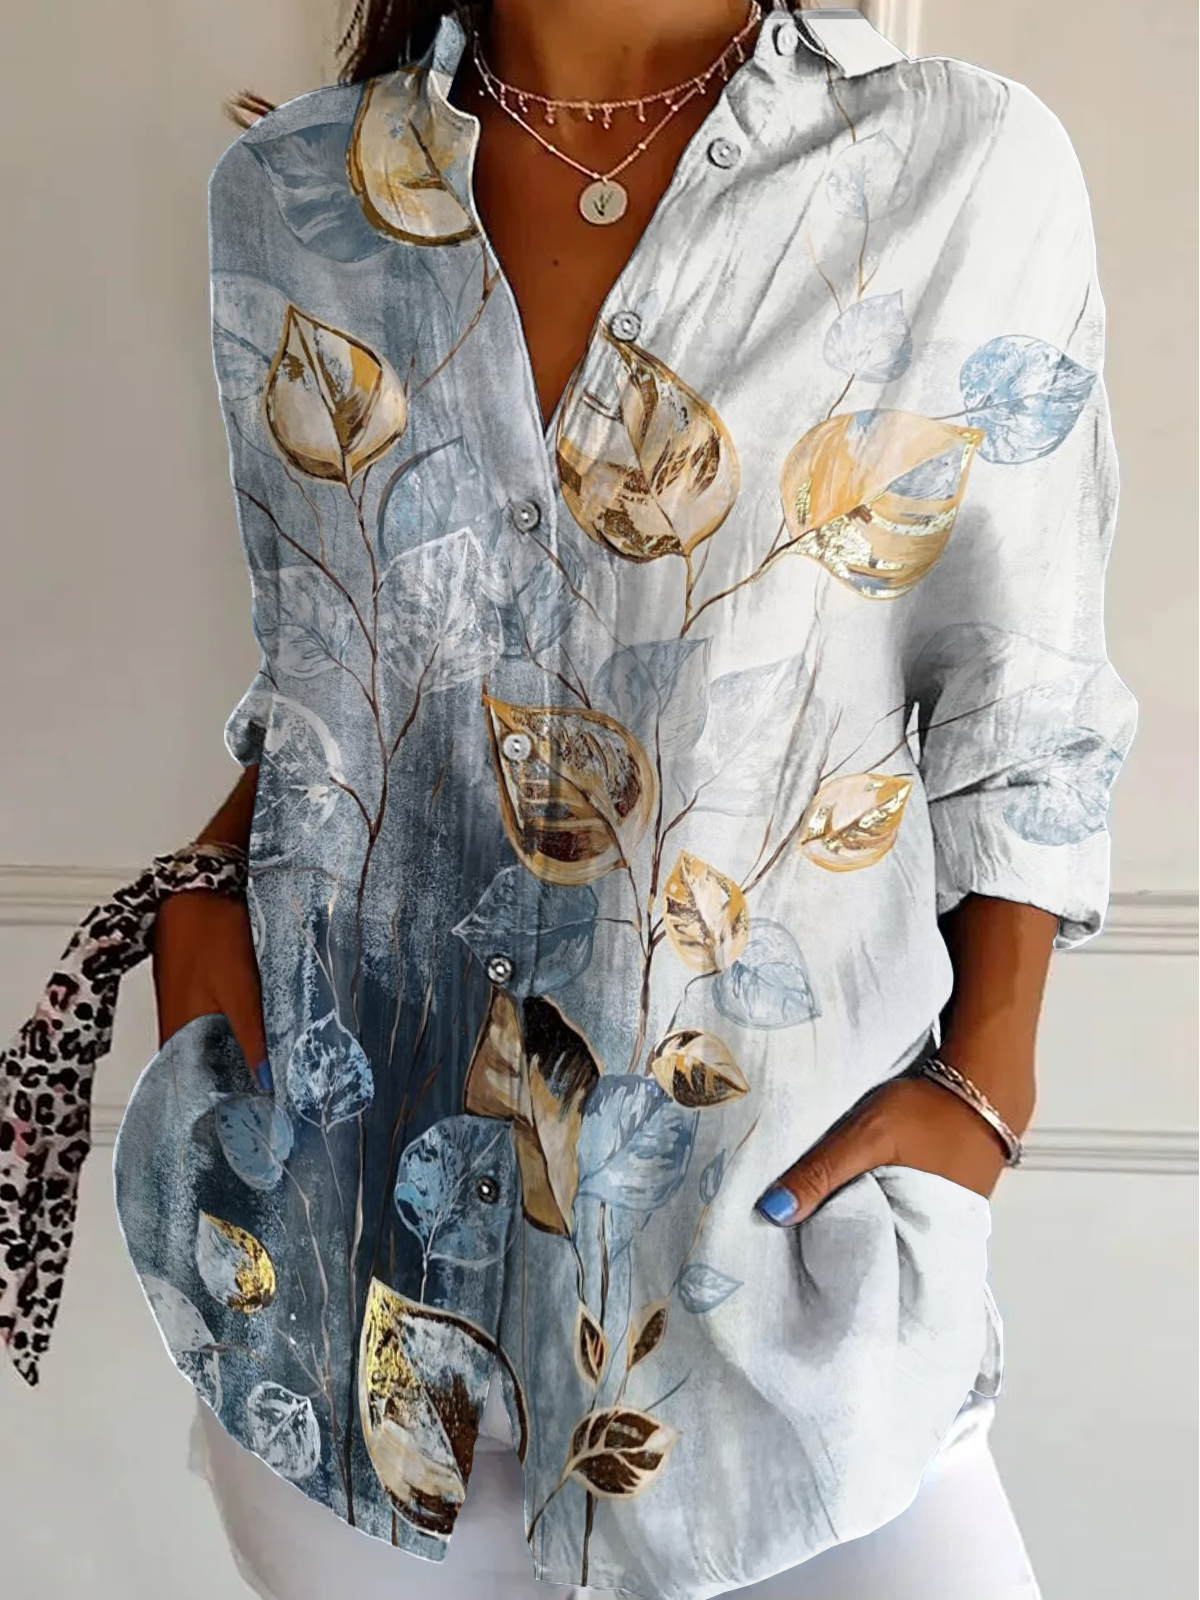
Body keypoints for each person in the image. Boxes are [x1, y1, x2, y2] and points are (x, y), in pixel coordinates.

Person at [0, 2, 1135, 1597]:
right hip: (348, 1286)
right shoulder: (294, 195)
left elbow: (1025, 691)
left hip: (775, 1295)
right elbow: (342, 668)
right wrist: (202, 902)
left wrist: (988, 1082)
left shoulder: (957, 164)